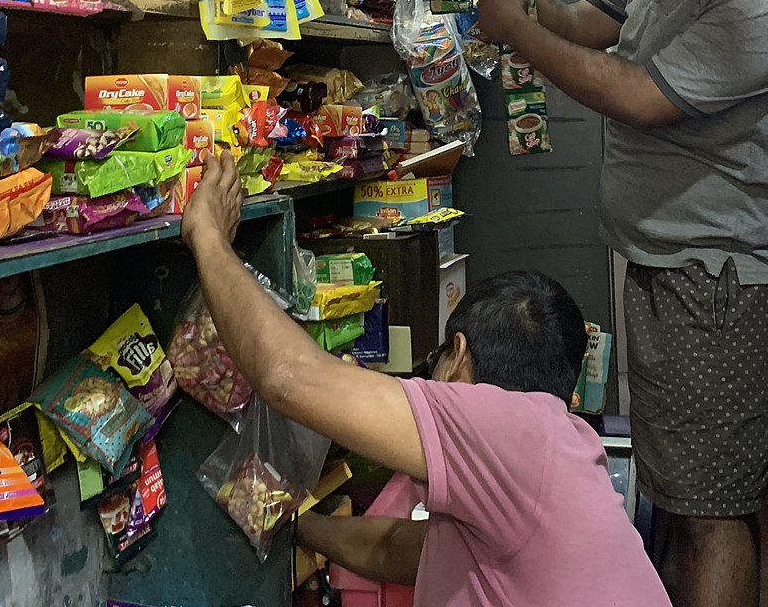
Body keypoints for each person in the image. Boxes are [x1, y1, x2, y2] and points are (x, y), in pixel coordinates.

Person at [473, 0, 768, 607]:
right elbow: (576, 22)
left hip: (725, 282)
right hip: (674, 266)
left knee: (712, 512)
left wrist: (516, 33)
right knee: (679, 496)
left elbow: (638, 96)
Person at [182, 152, 670, 607]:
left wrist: (207, 238)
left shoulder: (510, 429)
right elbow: (407, 551)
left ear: (457, 356)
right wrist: (300, 527)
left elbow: (288, 376)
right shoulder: (546, 450)